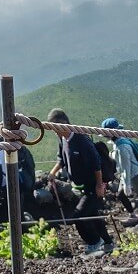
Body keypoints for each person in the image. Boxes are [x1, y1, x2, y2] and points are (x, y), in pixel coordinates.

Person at [47, 108, 113, 254]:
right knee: (93, 215)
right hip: (81, 186)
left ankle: (94, 242)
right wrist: (53, 173)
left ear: (63, 123)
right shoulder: (63, 139)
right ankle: (108, 244)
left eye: (55, 127)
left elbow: (96, 163)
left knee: (79, 216)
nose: (54, 131)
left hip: (92, 186)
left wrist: (99, 185)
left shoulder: (81, 139)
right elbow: (61, 159)